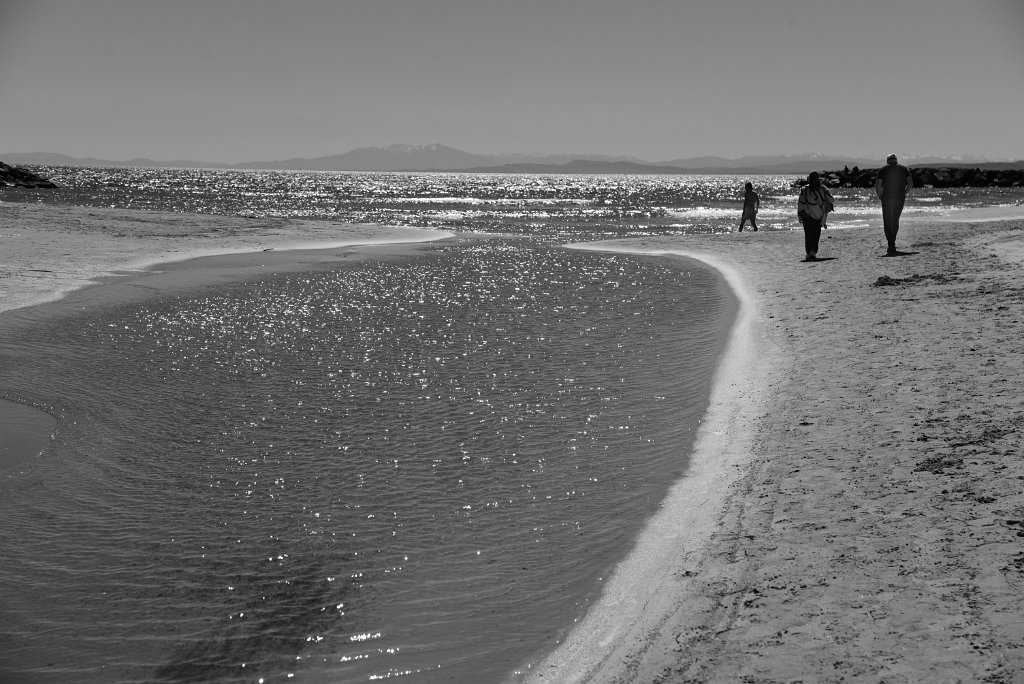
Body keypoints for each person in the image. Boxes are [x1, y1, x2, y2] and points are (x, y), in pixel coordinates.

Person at [874, 153, 913, 255]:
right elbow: (910, 184)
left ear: (887, 160)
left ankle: (890, 244)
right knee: (895, 220)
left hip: (887, 198)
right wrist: (904, 193)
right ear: (896, 160)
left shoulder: (883, 169)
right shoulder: (903, 169)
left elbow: (878, 185)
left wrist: (880, 196)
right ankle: (892, 242)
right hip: (900, 198)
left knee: (887, 221)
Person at [797, 171, 834, 261]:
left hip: (806, 215)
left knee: (808, 235)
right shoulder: (822, 189)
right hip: (818, 215)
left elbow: (800, 203)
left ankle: (808, 253)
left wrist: (800, 215)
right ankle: (812, 252)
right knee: (815, 235)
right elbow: (831, 200)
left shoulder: (804, 190)